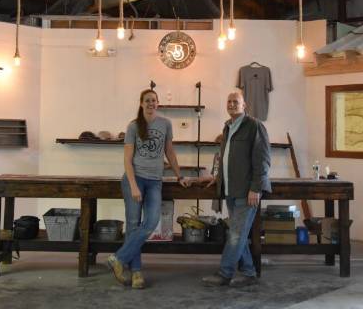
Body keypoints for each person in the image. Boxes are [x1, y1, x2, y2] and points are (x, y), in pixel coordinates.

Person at [107, 89, 189, 289]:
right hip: (134, 180)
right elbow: (127, 159)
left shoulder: (165, 124)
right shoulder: (133, 126)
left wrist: (179, 175)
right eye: (147, 101)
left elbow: (169, 151)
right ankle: (136, 273)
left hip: (155, 181)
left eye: (154, 100)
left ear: (158, 103)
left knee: (151, 221)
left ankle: (118, 258)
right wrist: (134, 185)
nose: (151, 103)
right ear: (141, 103)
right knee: (133, 225)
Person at [200, 91, 271, 287]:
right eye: (229, 101)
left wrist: (256, 189)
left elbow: (263, 161)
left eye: (236, 102)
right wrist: (218, 179)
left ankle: (225, 274)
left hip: (247, 192)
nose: (232, 105)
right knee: (237, 233)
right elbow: (226, 158)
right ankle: (249, 273)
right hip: (230, 191)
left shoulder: (254, 126)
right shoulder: (228, 127)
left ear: (244, 105)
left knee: (236, 234)